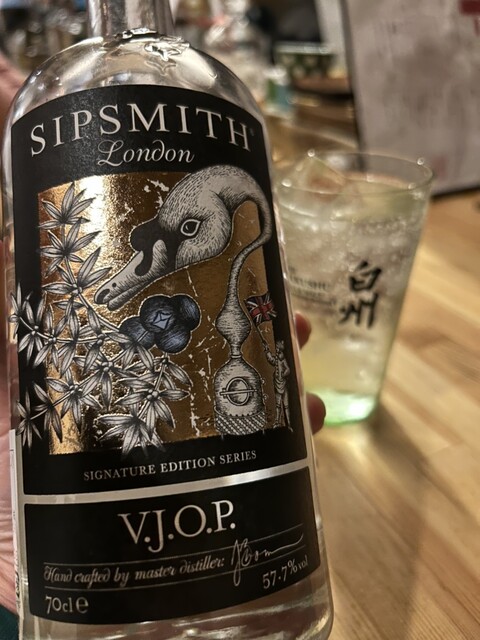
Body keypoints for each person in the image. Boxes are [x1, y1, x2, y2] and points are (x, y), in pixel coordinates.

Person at [0, 51, 325, 636]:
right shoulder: (44, 94)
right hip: (85, 588)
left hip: (261, 587)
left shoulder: (218, 87)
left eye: (189, 228)